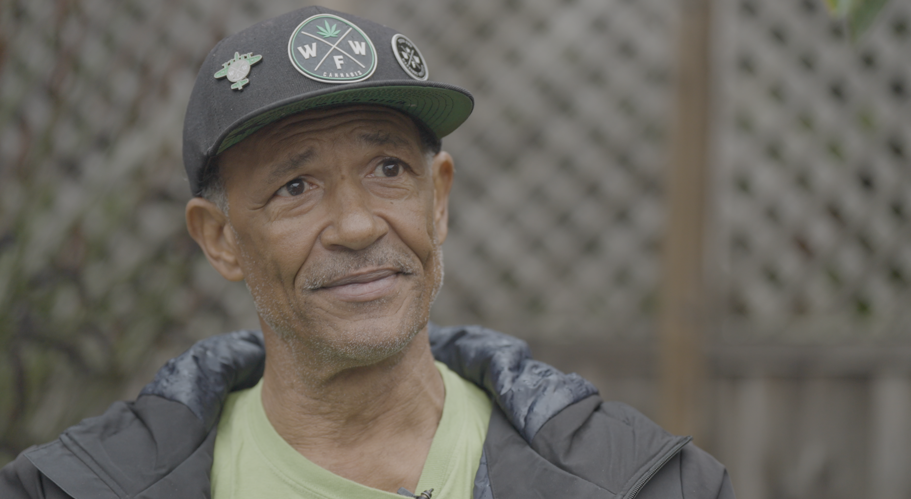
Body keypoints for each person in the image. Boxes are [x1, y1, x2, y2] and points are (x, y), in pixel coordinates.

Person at [0, 6, 734, 499]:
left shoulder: (642, 483)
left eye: (388, 169)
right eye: (295, 186)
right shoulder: (80, 487)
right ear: (220, 239)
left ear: (437, 199)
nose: (356, 225)